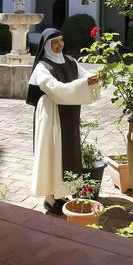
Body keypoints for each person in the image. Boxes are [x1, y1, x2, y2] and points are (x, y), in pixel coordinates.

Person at [26, 27, 101, 214]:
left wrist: (95, 79)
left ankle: (60, 194)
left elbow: (86, 77)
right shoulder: (42, 67)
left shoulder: (71, 62)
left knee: (67, 152)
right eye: (55, 42)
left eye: (61, 41)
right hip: (51, 114)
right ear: (47, 46)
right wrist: (83, 85)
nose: (59, 45)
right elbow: (56, 89)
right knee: (52, 153)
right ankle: (49, 199)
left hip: (69, 113)